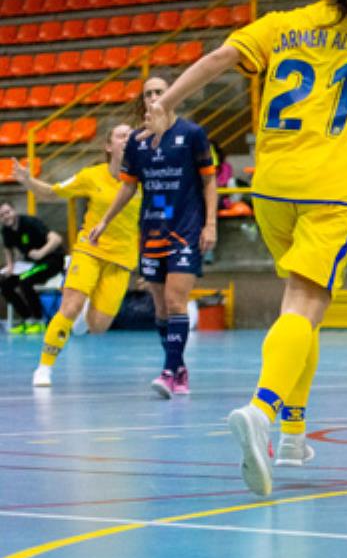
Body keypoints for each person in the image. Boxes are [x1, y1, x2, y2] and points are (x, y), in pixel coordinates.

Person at [132, 0, 347, 497]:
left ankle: (294, 435)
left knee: (303, 310)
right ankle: (264, 412)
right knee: (304, 303)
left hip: (269, 184)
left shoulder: (281, 24)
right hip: (332, 187)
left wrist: (165, 103)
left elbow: (218, 59)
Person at [89, 75, 216, 399]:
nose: (155, 97)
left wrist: (210, 223)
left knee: (176, 300)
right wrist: (104, 221)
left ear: (173, 94)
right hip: (152, 230)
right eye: (149, 94)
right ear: (143, 101)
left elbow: (208, 182)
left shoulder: (191, 134)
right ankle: (178, 366)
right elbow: (128, 186)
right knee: (161, 309)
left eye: (160, 91)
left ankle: (169, 372)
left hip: (185, 228)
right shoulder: (137, 143)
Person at [17, 126, 141, 386]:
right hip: (89, 248)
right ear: (109, 147)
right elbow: (52, 192)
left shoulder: (145, 179)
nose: (127, 139)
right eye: (121, 135)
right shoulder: (91, 176)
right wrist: (28, 181)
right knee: (69, 307)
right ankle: (44, 368)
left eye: (132, 135)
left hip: (121, 257)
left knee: (98, 327)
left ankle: (84, 314)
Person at [0, 202, 65, 334]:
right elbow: (8, 249)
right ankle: (28, 318)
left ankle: (39, 320)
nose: (6, 216)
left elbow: (57, 239)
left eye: (7, 212)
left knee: (25, 281)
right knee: (5, 284)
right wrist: (10, 266)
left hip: (53, 260)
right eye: (1, 215)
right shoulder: (6, 230)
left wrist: (41, 252)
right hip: (32, 265)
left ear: (14, 211)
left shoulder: (30, 223)